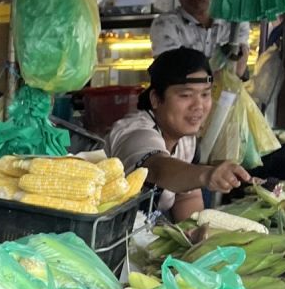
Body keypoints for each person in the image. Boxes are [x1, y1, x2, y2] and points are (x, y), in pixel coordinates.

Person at [106, 47, 251, 222]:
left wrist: (196, 232)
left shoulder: (187, 140)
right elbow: (157, 169)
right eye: (186, 95)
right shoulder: (135, 132)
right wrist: (207, 175)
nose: (198, 106)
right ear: (155, 99)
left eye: (205, 94)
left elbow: (187, 197)